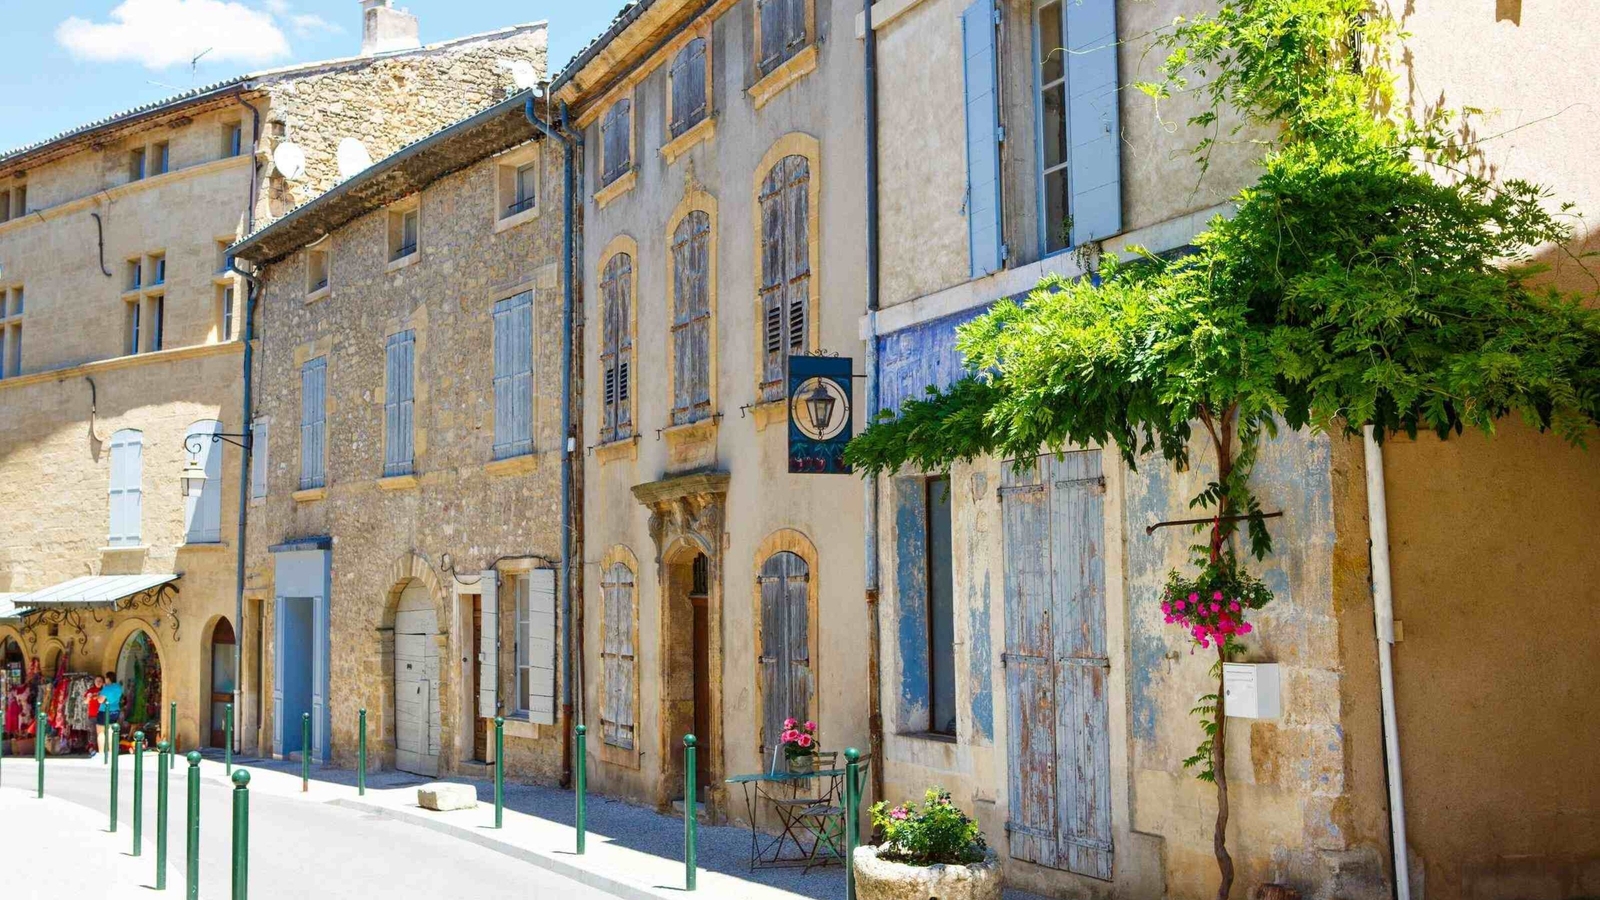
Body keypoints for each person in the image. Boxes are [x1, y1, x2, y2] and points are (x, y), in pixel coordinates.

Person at [98, 672, 123, 755]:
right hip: (115, 710)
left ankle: (101, 753)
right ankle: (112, 752)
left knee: (101, 732)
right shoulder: (118, 687)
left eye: (105, 678)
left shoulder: (107, 688)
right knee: (111, 731)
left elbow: (100, 700)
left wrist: (99, 695)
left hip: (104, 711)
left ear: (108, 678)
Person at [85, 676, 104, 758]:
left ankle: (102, 750)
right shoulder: (90, 690)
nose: (98, 682)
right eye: (97, 681)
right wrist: (88, 698)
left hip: (102, 714)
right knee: (93, 733)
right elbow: (85, 702)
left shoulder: (105, 690)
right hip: (92, 715)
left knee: (102, 733)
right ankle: (93, 749)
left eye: (100, 681)